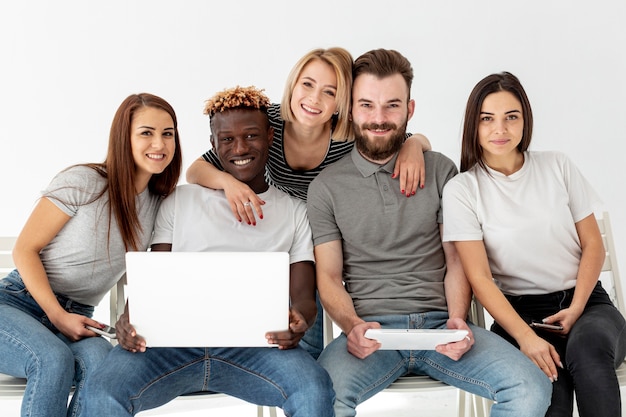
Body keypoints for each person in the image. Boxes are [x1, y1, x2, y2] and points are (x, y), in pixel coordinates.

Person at [307, 49, 552, 417]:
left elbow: (456, 259)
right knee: (320, 399)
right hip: (371, 333)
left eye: (392, 106)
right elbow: (327, 276)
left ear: (410, 108)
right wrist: (353, 326)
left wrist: (457, 319)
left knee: (530, 387)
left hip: (442, 327)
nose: (378, 118)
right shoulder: (326, 187)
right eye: (366, 105)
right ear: (351, 108)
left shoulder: (440, 171)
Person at [80, 86, 335, 417]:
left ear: (271, 136)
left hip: (258, 348)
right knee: (101, 392)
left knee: (314, 388)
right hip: (167, 347)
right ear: (214, 145)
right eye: (227, 139)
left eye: (251, 136)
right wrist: (130, 318)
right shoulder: (179, 200)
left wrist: (300, 320)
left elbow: (303, 297)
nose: (240, 148)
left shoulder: (295, 212)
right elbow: (153, 277)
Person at [186, 47, 432, 359]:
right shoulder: (267, 122)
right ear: (293, 83)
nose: (314, 99)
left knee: (305, 341)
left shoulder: (347, 133)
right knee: (276, 335)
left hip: (323, 239)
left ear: (341, 103)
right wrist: (228, 182)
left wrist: (413, 144)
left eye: (329, 92)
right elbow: (195, 170)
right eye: (307, 84)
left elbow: (403, 135)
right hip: (280, 235)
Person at [442, 71, 626, 417]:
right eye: (487, 119)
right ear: (474, 125)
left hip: (587, 305)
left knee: (586, 353)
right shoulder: (462, 190)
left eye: (511, 117)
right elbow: (479, 279)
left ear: (525, 121)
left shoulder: (557, 165)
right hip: (520, 316)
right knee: (547, 387)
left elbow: (592, 245)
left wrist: (577, 307)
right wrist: (527, 338)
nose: (500, 129)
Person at [0, 93, 182, 417]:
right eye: (146, 132)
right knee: (52, 359)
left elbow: (147, 275)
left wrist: (128, 319)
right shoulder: (86, 182)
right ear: (123, 138)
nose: (160, 143)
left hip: (79, 316)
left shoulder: (161, 204)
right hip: (17, 304)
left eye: (168, 133)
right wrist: (57, 316)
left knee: (103, 362)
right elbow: (23, 249)